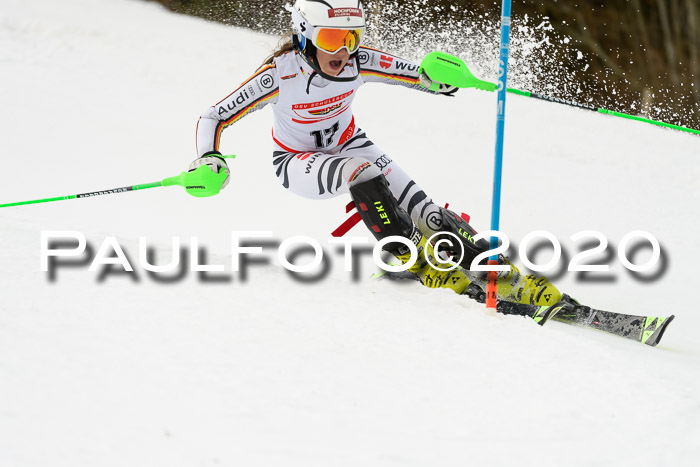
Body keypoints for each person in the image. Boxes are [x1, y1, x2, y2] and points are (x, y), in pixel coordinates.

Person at [190, 0, 561, 308]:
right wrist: (209, 156)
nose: (343, 51)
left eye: (352, 37)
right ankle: (415, 261)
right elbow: (214, 115)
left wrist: (448, 80)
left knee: (429, 214)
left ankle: (502, 276)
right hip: (297, 161)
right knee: (362, 171)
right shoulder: (279, 75)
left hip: (350, 143)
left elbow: (422, 77)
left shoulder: (357, 60)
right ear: (304, 34)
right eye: (333, 38)